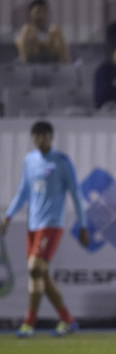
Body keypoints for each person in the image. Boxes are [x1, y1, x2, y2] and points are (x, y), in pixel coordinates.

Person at [1, 121, 90, 338]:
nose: (41, 139)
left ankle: (29, 323)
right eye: (37, 136)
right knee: (42, 274)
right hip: (33, 225)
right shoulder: (29, 160)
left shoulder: (62, 161)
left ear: (51, 137)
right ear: (33, 138)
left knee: (34, 269)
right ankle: (68, 320)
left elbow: (76, 193)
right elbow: (24, 191)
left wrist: (84, 224)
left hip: (52, 225)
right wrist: (8, 216)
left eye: (45, 135)